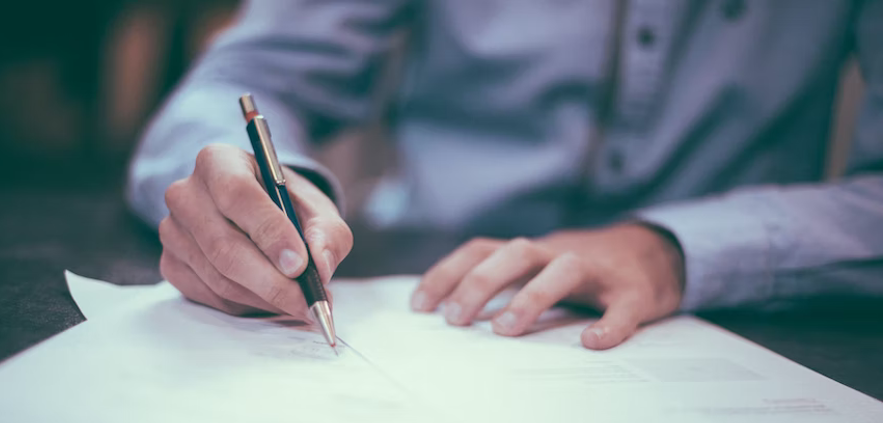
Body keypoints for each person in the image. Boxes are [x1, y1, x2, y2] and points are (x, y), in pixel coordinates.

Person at [128, 0, 882, 350]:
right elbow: (247, 76)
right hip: (428, 293)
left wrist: (675, 247)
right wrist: (257, 193)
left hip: (749, 322)